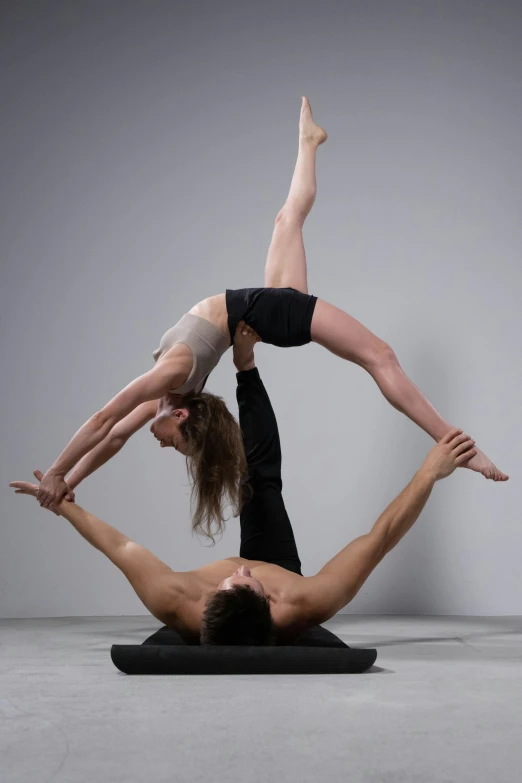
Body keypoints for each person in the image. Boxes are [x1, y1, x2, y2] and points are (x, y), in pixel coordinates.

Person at [34, 97, 507, 541]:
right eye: (176, 445)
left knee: (291, 226)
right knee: (378, 355)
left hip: (263, 309)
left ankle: (309, 141)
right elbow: (113, 432)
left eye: (174, 444)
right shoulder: (174, 389)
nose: (163, 446)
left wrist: (62, 476)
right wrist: (63, 479)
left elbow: (107, 424)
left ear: (178, 415)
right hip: (262, 315)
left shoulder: (172, 379)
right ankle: (459, 445)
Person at [10, 332, 479, 645]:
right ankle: (247, 368)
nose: (241, 570)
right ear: (270, 602)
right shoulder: (302, 603)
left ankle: (234, 381)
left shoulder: (173, 600)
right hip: (282, 561)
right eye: (250, 583)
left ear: (211, 599)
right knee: (260, 479)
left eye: (233, 581)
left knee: (243, 475)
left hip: (216, 601)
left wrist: (62, 506)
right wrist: (429, 473)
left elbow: (120, 546)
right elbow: (379, 539)